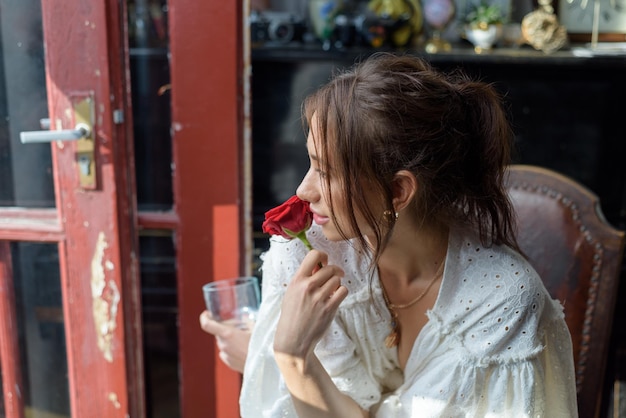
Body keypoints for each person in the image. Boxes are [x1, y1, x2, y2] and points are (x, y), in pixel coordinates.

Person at [200, 52, 578, 417]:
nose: (302, 191)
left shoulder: (499, 298)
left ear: (398, 191)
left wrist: (288, 357)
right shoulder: (305, 253)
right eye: (310, 163)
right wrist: (276, 355)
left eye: (326, 173)